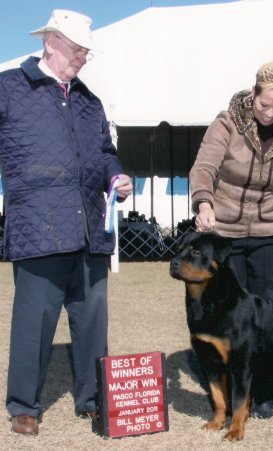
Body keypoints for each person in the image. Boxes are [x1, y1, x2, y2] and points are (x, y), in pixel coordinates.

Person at [0, 10, 133, 435]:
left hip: (91, 228)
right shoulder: (8, 88)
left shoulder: (89, 101)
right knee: (33, 323)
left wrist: (116, 175)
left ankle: (93, 399)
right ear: (51, 42)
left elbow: (105, 152)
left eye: (87, 52)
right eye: (78, 49)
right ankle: (24, 405)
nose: (83, 58)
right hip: (38, 227)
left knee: (92, 321)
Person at [189, 61, 273, 419]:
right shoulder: (227, 123)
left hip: (269, 233)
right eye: (264, 104)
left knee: (269, 315)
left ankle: (267, 392)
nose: (270, 113)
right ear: (253, 92)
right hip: (224, 232)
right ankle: (229, 391)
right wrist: (204, 202)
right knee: (226, 316)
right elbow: (204, 168)